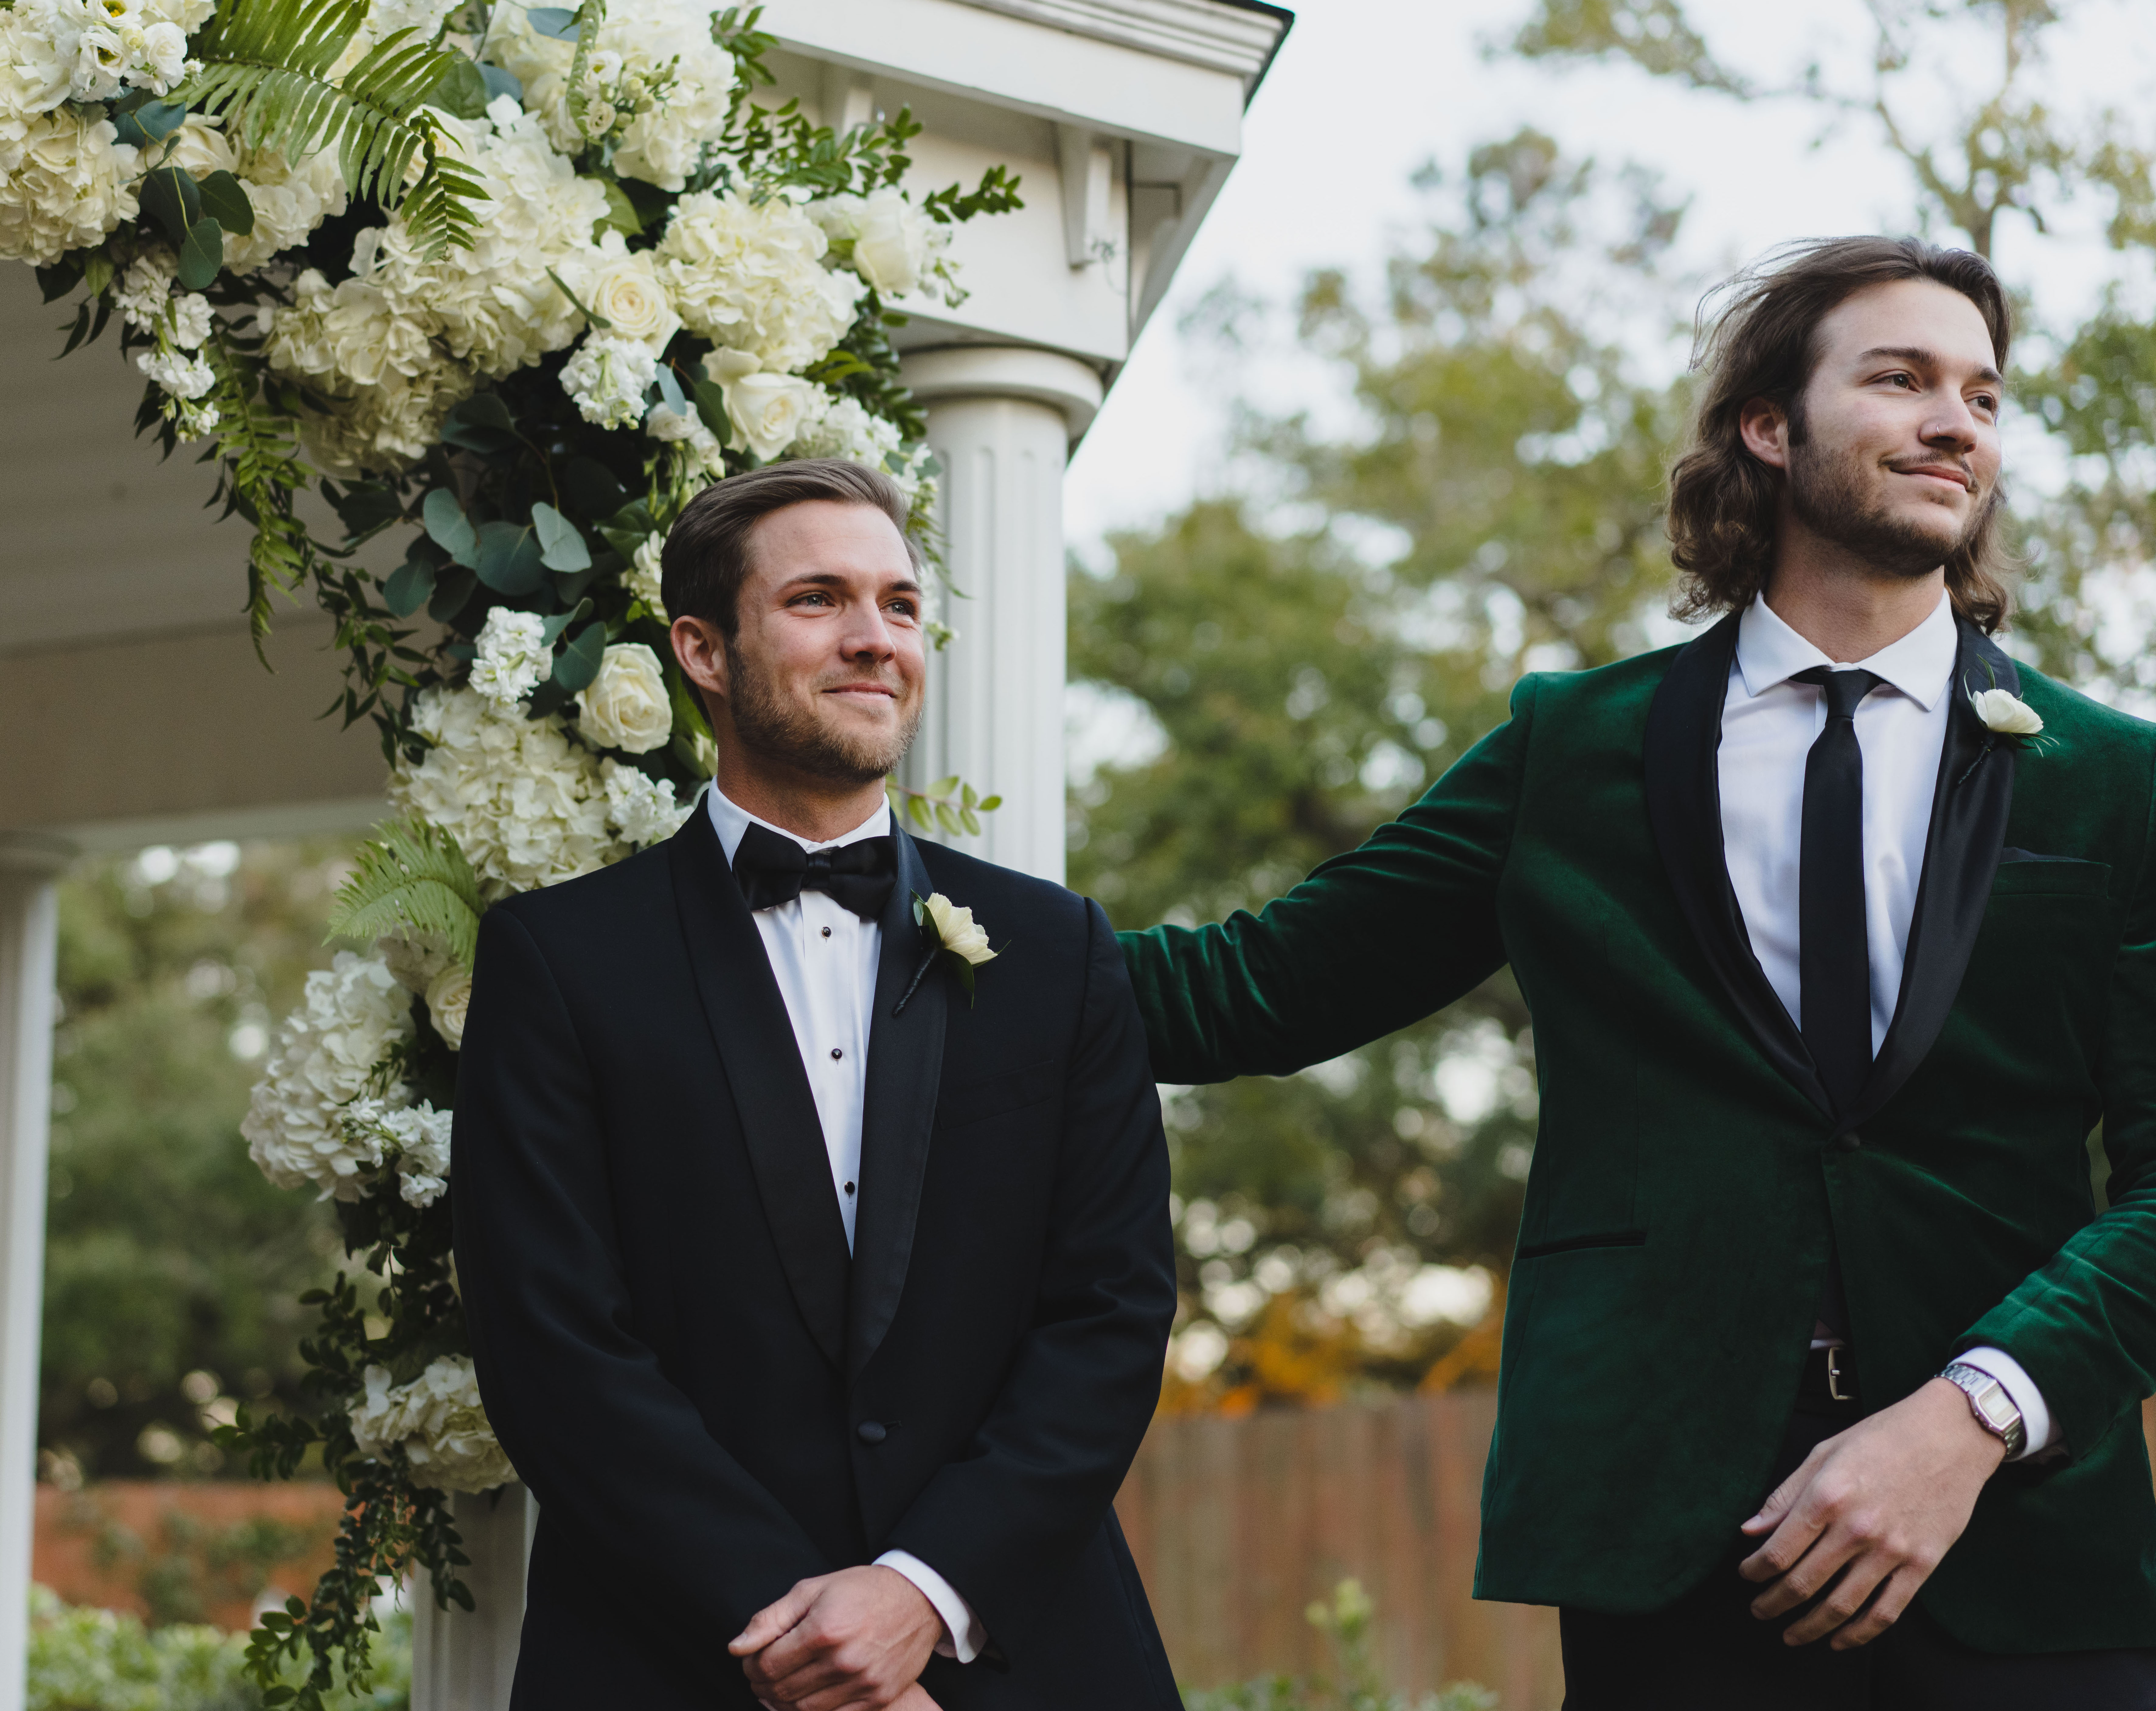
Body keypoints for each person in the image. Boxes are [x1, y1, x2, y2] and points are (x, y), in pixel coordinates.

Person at [1118, 238, 2156, 1706]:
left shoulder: (2119, 784)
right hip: (1671, 1534)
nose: (1957, 422)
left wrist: (1976, 1417)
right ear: (1770, 426)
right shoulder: (1572, 753)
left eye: (1983, 394)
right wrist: (907, 911)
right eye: (1901, 379)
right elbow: (1256, 991)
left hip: (2023, 1535)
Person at [452, 459, 1180, 1711]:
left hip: (1009, 1649)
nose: (873, 639)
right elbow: (552, 1343)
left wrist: (919, 1594)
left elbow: (1110, 1314)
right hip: (672, 1655)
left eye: (900, 605)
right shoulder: (558, 963)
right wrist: (807, 1635)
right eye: (819, 600)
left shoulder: (1058, 952)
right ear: (703, 649)